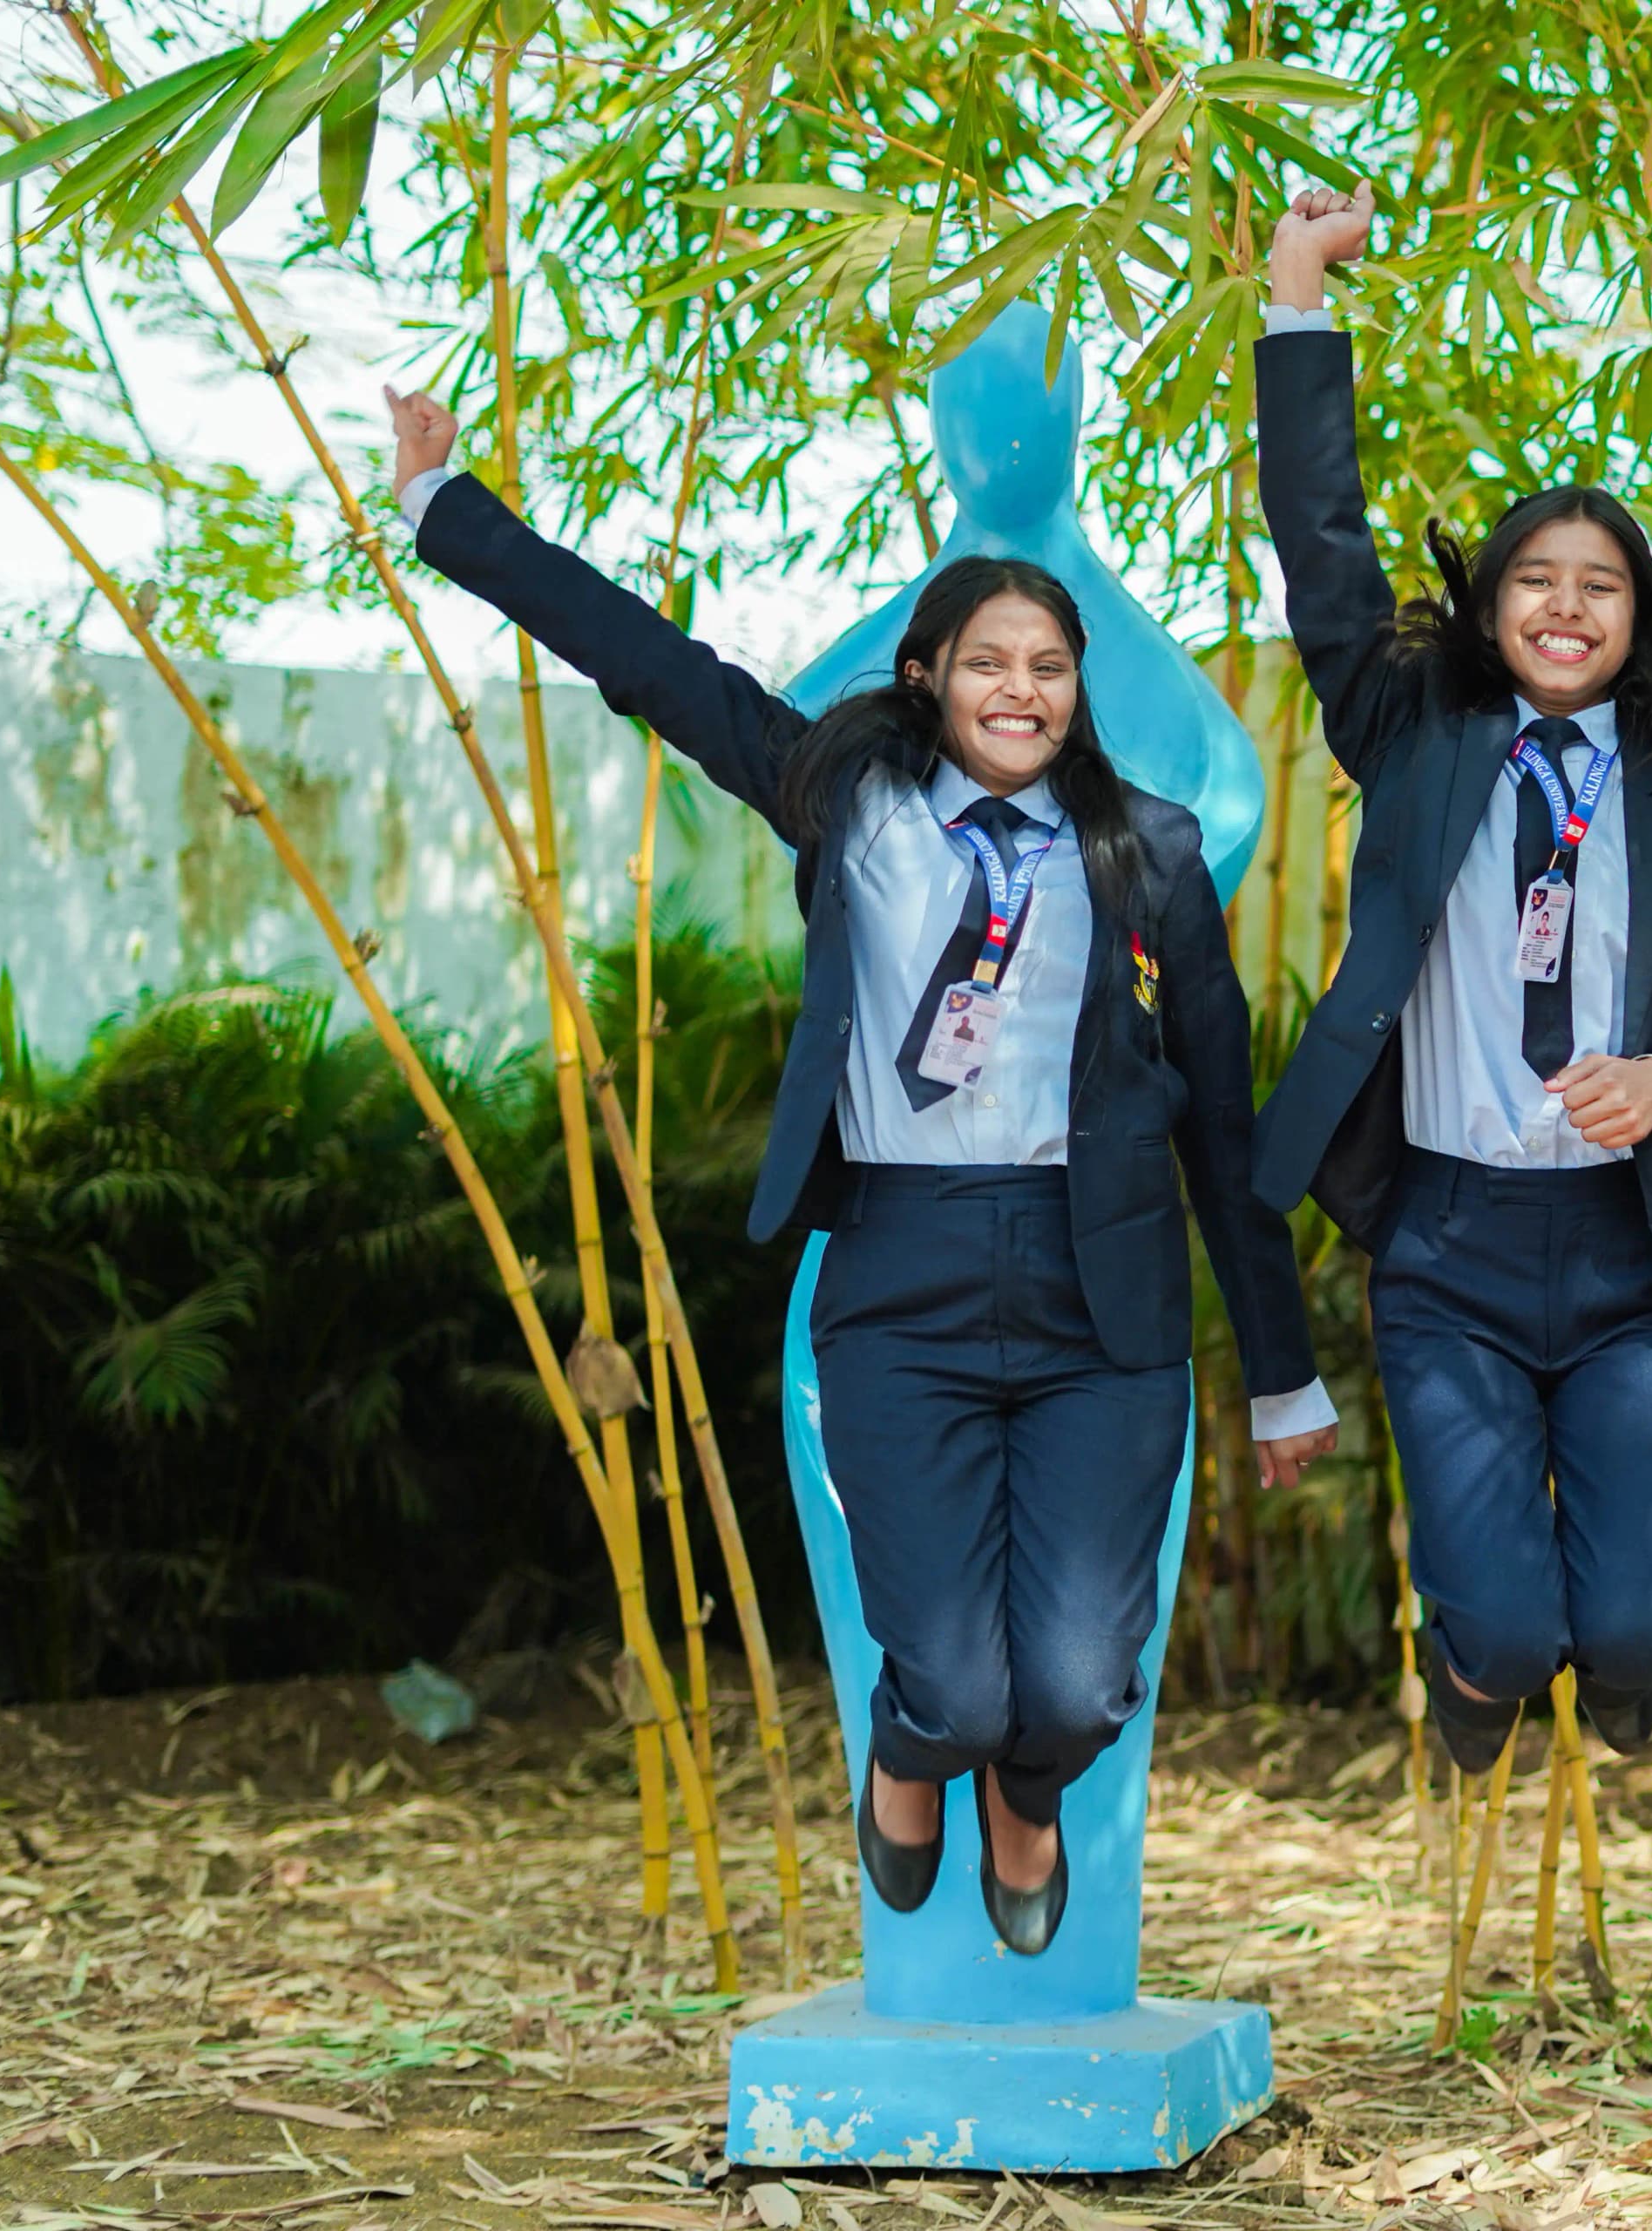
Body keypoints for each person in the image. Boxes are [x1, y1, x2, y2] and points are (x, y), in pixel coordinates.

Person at [383, 387, 1337, 1957]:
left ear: (1078, 691)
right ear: (929, 677)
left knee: (1086, 1675)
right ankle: (915, 1755)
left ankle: (1025, 1805)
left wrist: (1282, 1373)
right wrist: (447, 511)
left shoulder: (1152, 849)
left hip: (1105, 1287)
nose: (1018, 692)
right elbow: (651, 664)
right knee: (954, 1673)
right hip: (903, 1274)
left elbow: (1221, 1123)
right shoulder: (850, 800)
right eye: (987, 663)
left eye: (1048, 667)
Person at [1249, 186, 1652, 1777]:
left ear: (1640, 618)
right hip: (1452, 1240)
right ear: (1492, 611)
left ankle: (1626, 1668)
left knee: (1629, 1629)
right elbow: (1323, 549)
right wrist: (1297, 296)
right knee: (1498, 1625)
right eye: (1535, 579)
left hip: (1627, 1253)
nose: (1565, 604)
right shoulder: (1418, 738)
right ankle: (1479, 1664)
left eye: (1600, 583)